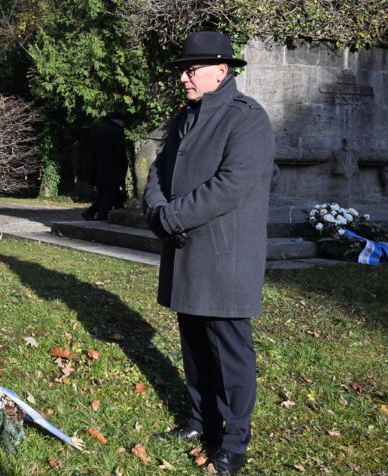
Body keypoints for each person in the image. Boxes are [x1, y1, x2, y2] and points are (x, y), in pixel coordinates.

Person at [143, 31, 275, 476]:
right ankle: (201, 423)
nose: (183, 77)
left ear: (222, 71)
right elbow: (159, 170)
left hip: (224, 256)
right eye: (183, 69)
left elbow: (231, 184)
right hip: (185, 252)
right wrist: (156, 209)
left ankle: (234, 442)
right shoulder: (185, 118)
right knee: (195, 346)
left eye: (191, 69)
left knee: (229, 351)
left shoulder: (247, 118)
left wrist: (171, 217)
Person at [83, 111, 127, 221]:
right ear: (119, 121)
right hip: (113, 169)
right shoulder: (117, 131)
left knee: (109, 194)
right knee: (109, 195)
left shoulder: (98, 131)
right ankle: (101, 218)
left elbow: (90, 151)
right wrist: (123, 166)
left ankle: (91, 212)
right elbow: (120, 152)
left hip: (98, 169)